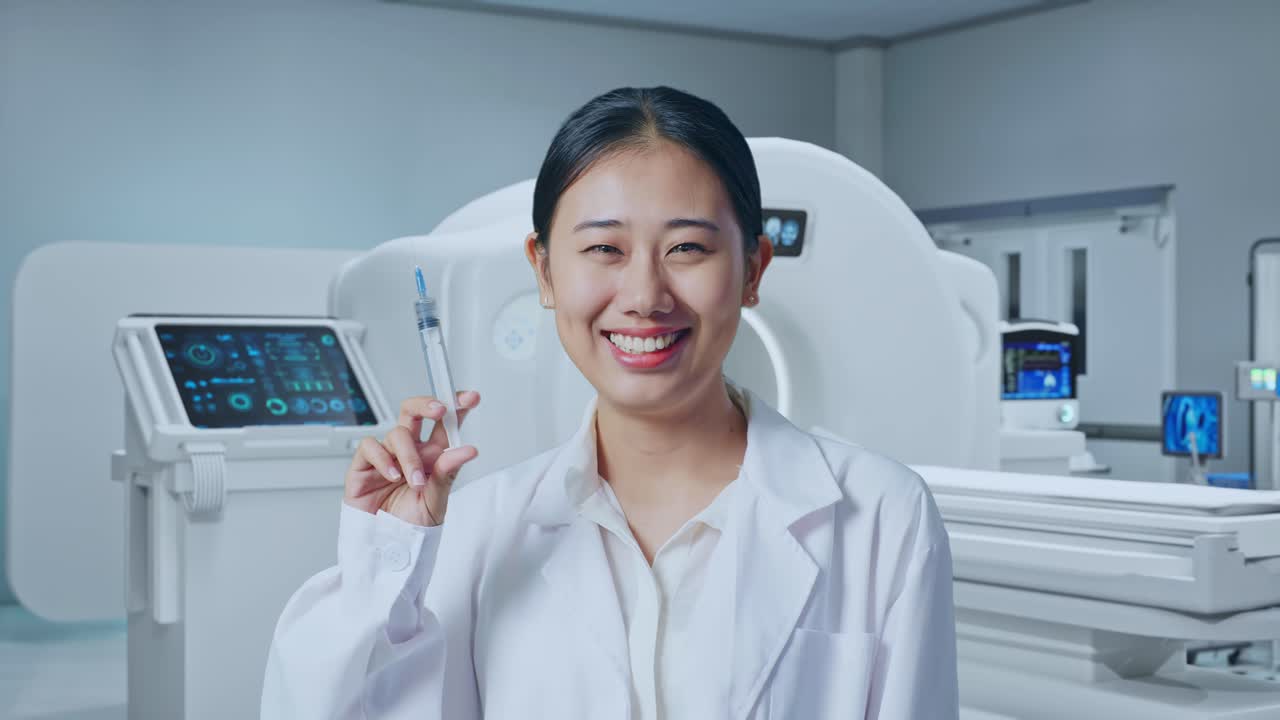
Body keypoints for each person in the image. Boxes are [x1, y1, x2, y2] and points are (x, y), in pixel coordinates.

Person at [261, 86, 958, 719]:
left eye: (687, 247)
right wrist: (389, 560)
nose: (645, 295)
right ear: (543, 270)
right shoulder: (477, 530)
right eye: (604, 249)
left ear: (752, 270)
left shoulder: (881, 517)